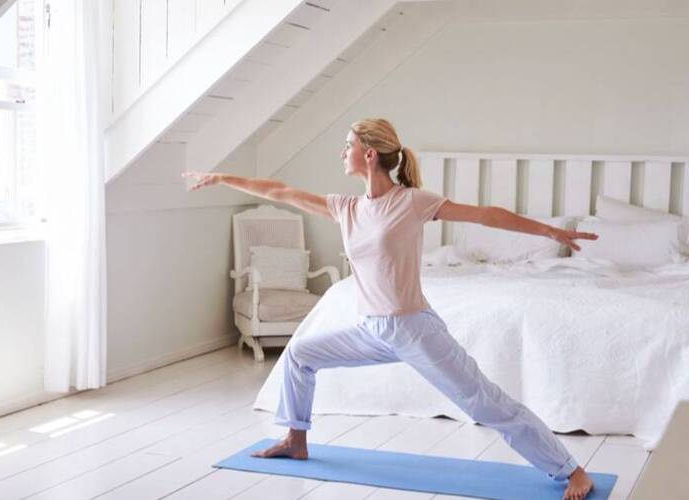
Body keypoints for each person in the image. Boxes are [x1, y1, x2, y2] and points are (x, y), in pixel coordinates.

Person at [183, 118, 598, 500]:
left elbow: (485, 215)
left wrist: (548, 230)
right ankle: (296, 439)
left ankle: (571, 469)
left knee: (484, 403)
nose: (341, 152)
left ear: (368, 154)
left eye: (347, 145)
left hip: (415, 330)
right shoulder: (346, 208)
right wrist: (221, 178)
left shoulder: (412, 202)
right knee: (300, 353)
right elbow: (280, 191)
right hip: (371, 329)